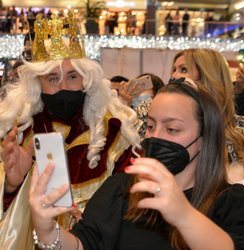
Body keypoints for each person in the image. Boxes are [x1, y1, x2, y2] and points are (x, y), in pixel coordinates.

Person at [29, 79, 244, 250]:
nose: (156, 136)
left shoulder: (231, 202)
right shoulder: (120, 189)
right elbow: (84, 244)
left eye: (172, 129)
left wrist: (183, 215)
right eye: (151, 126)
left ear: (205, 137)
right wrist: (47, 230)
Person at [0, 12, 140, 249]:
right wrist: (13, 185)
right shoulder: (18, 131)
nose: (64, 86)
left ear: (86, 79)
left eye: (73, 76)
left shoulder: (116, 132)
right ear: (37, 83)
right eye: (52, 78)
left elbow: (134, 210)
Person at [171, 48, 244, 185]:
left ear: (207, 77)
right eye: (174, 69)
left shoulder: (240, 127)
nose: (174, 76)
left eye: (183, 70)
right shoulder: (160, 120)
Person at [118, 73, 164, 137]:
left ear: (155, 95)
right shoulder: (127, 110)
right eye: (136, 89)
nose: (137, 93)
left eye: (142, 89)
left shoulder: (154, 119)